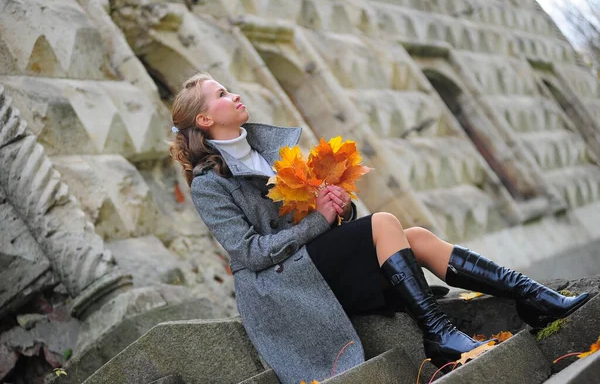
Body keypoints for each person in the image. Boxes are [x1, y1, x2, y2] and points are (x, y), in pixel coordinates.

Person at [169, 73, 589, 384]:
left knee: (418, 238)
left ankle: (533, 297)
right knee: (386, 222)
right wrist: (320, 219)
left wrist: (338, 208)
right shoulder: (209, 185)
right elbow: (249, 254)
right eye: (223, 94)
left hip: (317, 264)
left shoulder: (269, 153)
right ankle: (439, 336)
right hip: (285, 289)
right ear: (204, 118)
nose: (235, 93)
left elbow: (324, 219)